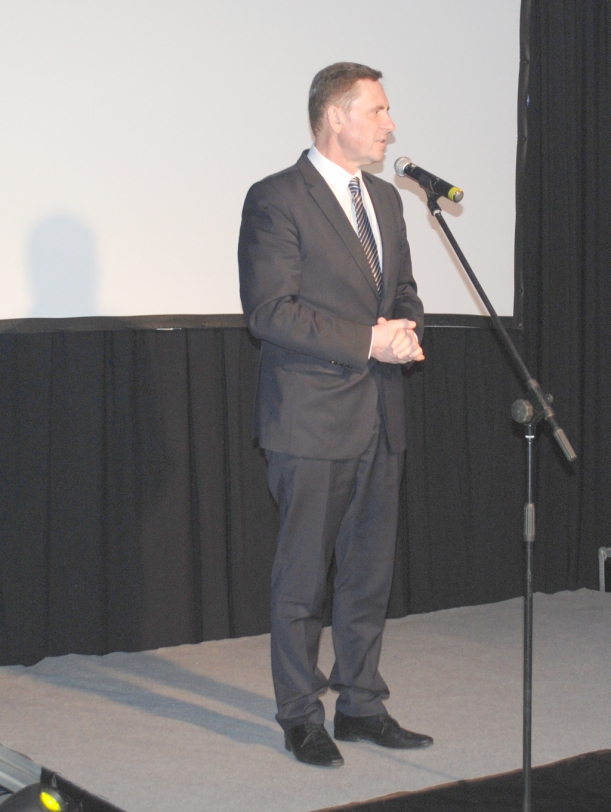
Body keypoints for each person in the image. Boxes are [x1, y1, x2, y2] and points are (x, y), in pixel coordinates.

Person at [238, 62, 432, 767]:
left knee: (367, 575)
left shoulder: (385, 201)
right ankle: (300, 714)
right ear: (334, 116)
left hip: (381, 412)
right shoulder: (276, 198)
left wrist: (405, 329)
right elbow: (270, 311)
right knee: (303, 580)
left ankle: (360, 704)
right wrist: (367, 341)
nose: (389, 125)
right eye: (377, 111)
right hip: (310, 417)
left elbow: (402, 290)